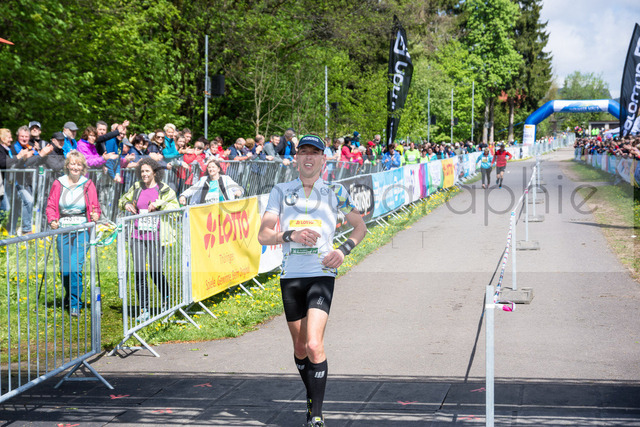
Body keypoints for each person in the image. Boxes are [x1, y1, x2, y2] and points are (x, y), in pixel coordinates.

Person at [258, 134, 367, 427]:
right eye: (303, 152)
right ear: (296, 158)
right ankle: (312, 397)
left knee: (315, 343)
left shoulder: (335, 191)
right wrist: (290, 235)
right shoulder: (281, 191)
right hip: (291, 276)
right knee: (300, 347)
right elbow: (263, 235)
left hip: (321, 273)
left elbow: (360, 227)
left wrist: (343, 251)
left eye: (314, 153)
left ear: (323, 159)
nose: (308, 157)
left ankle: (315, 415)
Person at [118, 157, 179, 323]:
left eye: (147, 171)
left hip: (156, 237)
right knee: (139, 273)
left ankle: (166, 300)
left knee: (155, 272)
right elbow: (122, 200)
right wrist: (126, 205)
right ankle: (144, 309)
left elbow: (175, 207)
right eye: (142, 171)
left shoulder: (164, 189)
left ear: (155, 172)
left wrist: (159, 204)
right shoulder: (137, 187)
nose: (144, 174)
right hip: (137, 236)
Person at [46, 150, 101, 316]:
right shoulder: (59, 183)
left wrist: (96, 215)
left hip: (82, 229)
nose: (75, 167)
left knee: (75, 267)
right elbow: (51, 205)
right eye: (72, 164)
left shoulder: (88, 184)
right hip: (63, 228)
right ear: (67, 166)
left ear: (82, 167)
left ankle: (75, 303)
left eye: (78, 164)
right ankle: (70, 296)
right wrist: (52, 220)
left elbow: (95, 206)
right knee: (65, 269)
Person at [179, 159, 243, 205]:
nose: (211, 169)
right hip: (207, 209)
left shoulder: (226, 179)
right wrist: (183, 195)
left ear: (218, 169)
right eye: (209, 167)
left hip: (222, 209)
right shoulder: (203, 180)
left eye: (213, 167)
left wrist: (239, 191)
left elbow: (238, 188)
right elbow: (192, 189)